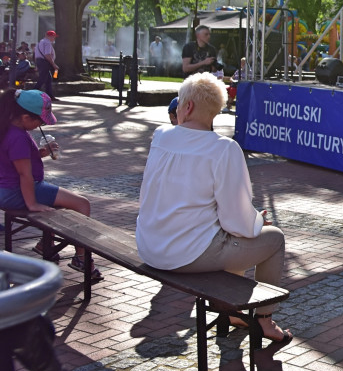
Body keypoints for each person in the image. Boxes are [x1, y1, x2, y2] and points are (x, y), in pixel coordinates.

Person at [136, 73, 291, 345]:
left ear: (188, 107)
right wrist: (256, 222)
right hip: (186, 256)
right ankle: (264, 320)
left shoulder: (160, 136)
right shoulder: (223, 148)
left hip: (150, 247)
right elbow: (237, 220)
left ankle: (231, 309)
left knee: (230, 234)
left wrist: (246, 223)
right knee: (273, 238)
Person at [0, 89, 101, 281]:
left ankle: (45, 245)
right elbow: (24, 174)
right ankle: (81, 257)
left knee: (63, 202)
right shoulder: (18, 137)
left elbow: (16, 162)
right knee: (82, 204)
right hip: (17, 192)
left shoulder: (8, 129)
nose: (42, 125)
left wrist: (41, 153)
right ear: (25, 116)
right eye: (40, 121)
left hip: (7, 190)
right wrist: (32, 204)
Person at [33, 31, 58, 99]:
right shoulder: (47, 43)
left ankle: (50, 95)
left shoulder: (39, 43)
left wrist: (36, 65)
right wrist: (53, 64)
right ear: (49, 36)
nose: (54, 38)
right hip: (45, 62)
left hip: (40, 62)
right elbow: (47, 55)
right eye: (53, 36)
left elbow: (36, 55)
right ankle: (32, 93)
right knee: (42, 79)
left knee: (48, 79)